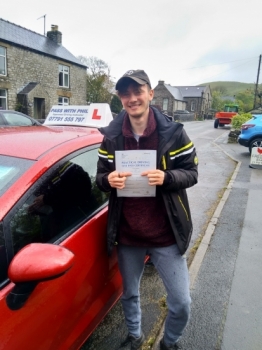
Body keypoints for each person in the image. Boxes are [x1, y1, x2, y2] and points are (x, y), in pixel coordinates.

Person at [96, 70, 198, 350]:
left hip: (166, 234)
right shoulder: (111, 138)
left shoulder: (174, 133)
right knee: (129, 294)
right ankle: (135, 336)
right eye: (125, 93)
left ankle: (170, 341)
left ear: (150, 94)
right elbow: (100, 177)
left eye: (138, 91)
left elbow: (191, 172)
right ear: (119, 98)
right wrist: (108, 180)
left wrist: (167, 178)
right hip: (128, 234)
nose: (132, 98)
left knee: (181, 302)